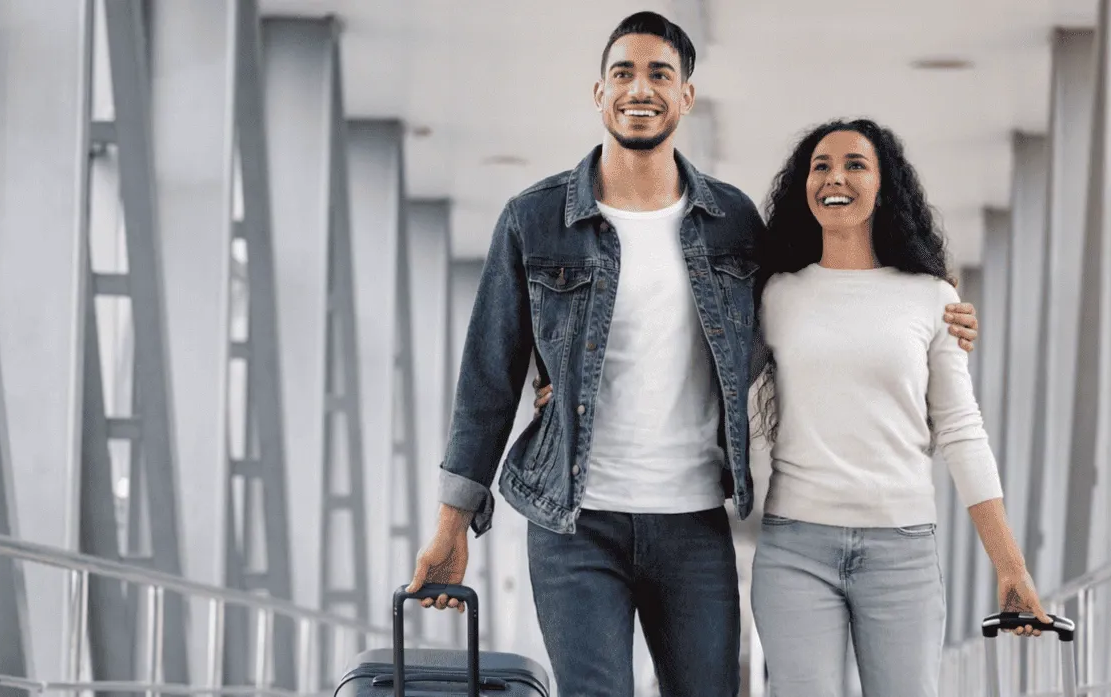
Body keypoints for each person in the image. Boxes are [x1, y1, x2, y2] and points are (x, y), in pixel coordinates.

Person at [405, 13, 980, 696]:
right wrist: (450, 526)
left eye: (659, 74)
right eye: (623, 73)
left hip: (693, 523)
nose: (639, 88)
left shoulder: (734, 223)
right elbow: (487, 382)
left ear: (686, 97)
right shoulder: (533, 220)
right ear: (599, 93)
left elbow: (808, 306)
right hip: (573, 524)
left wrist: (929, 306)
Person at [747, 119, 1048, 696]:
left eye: (855, 164)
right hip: (794, 548)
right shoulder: (776, 295)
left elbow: (961, 430)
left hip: (901, 552)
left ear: (885, 187)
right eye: (820, 165)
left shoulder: (932, 298)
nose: (835, 176)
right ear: (803, 187)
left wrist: (1010, 565)